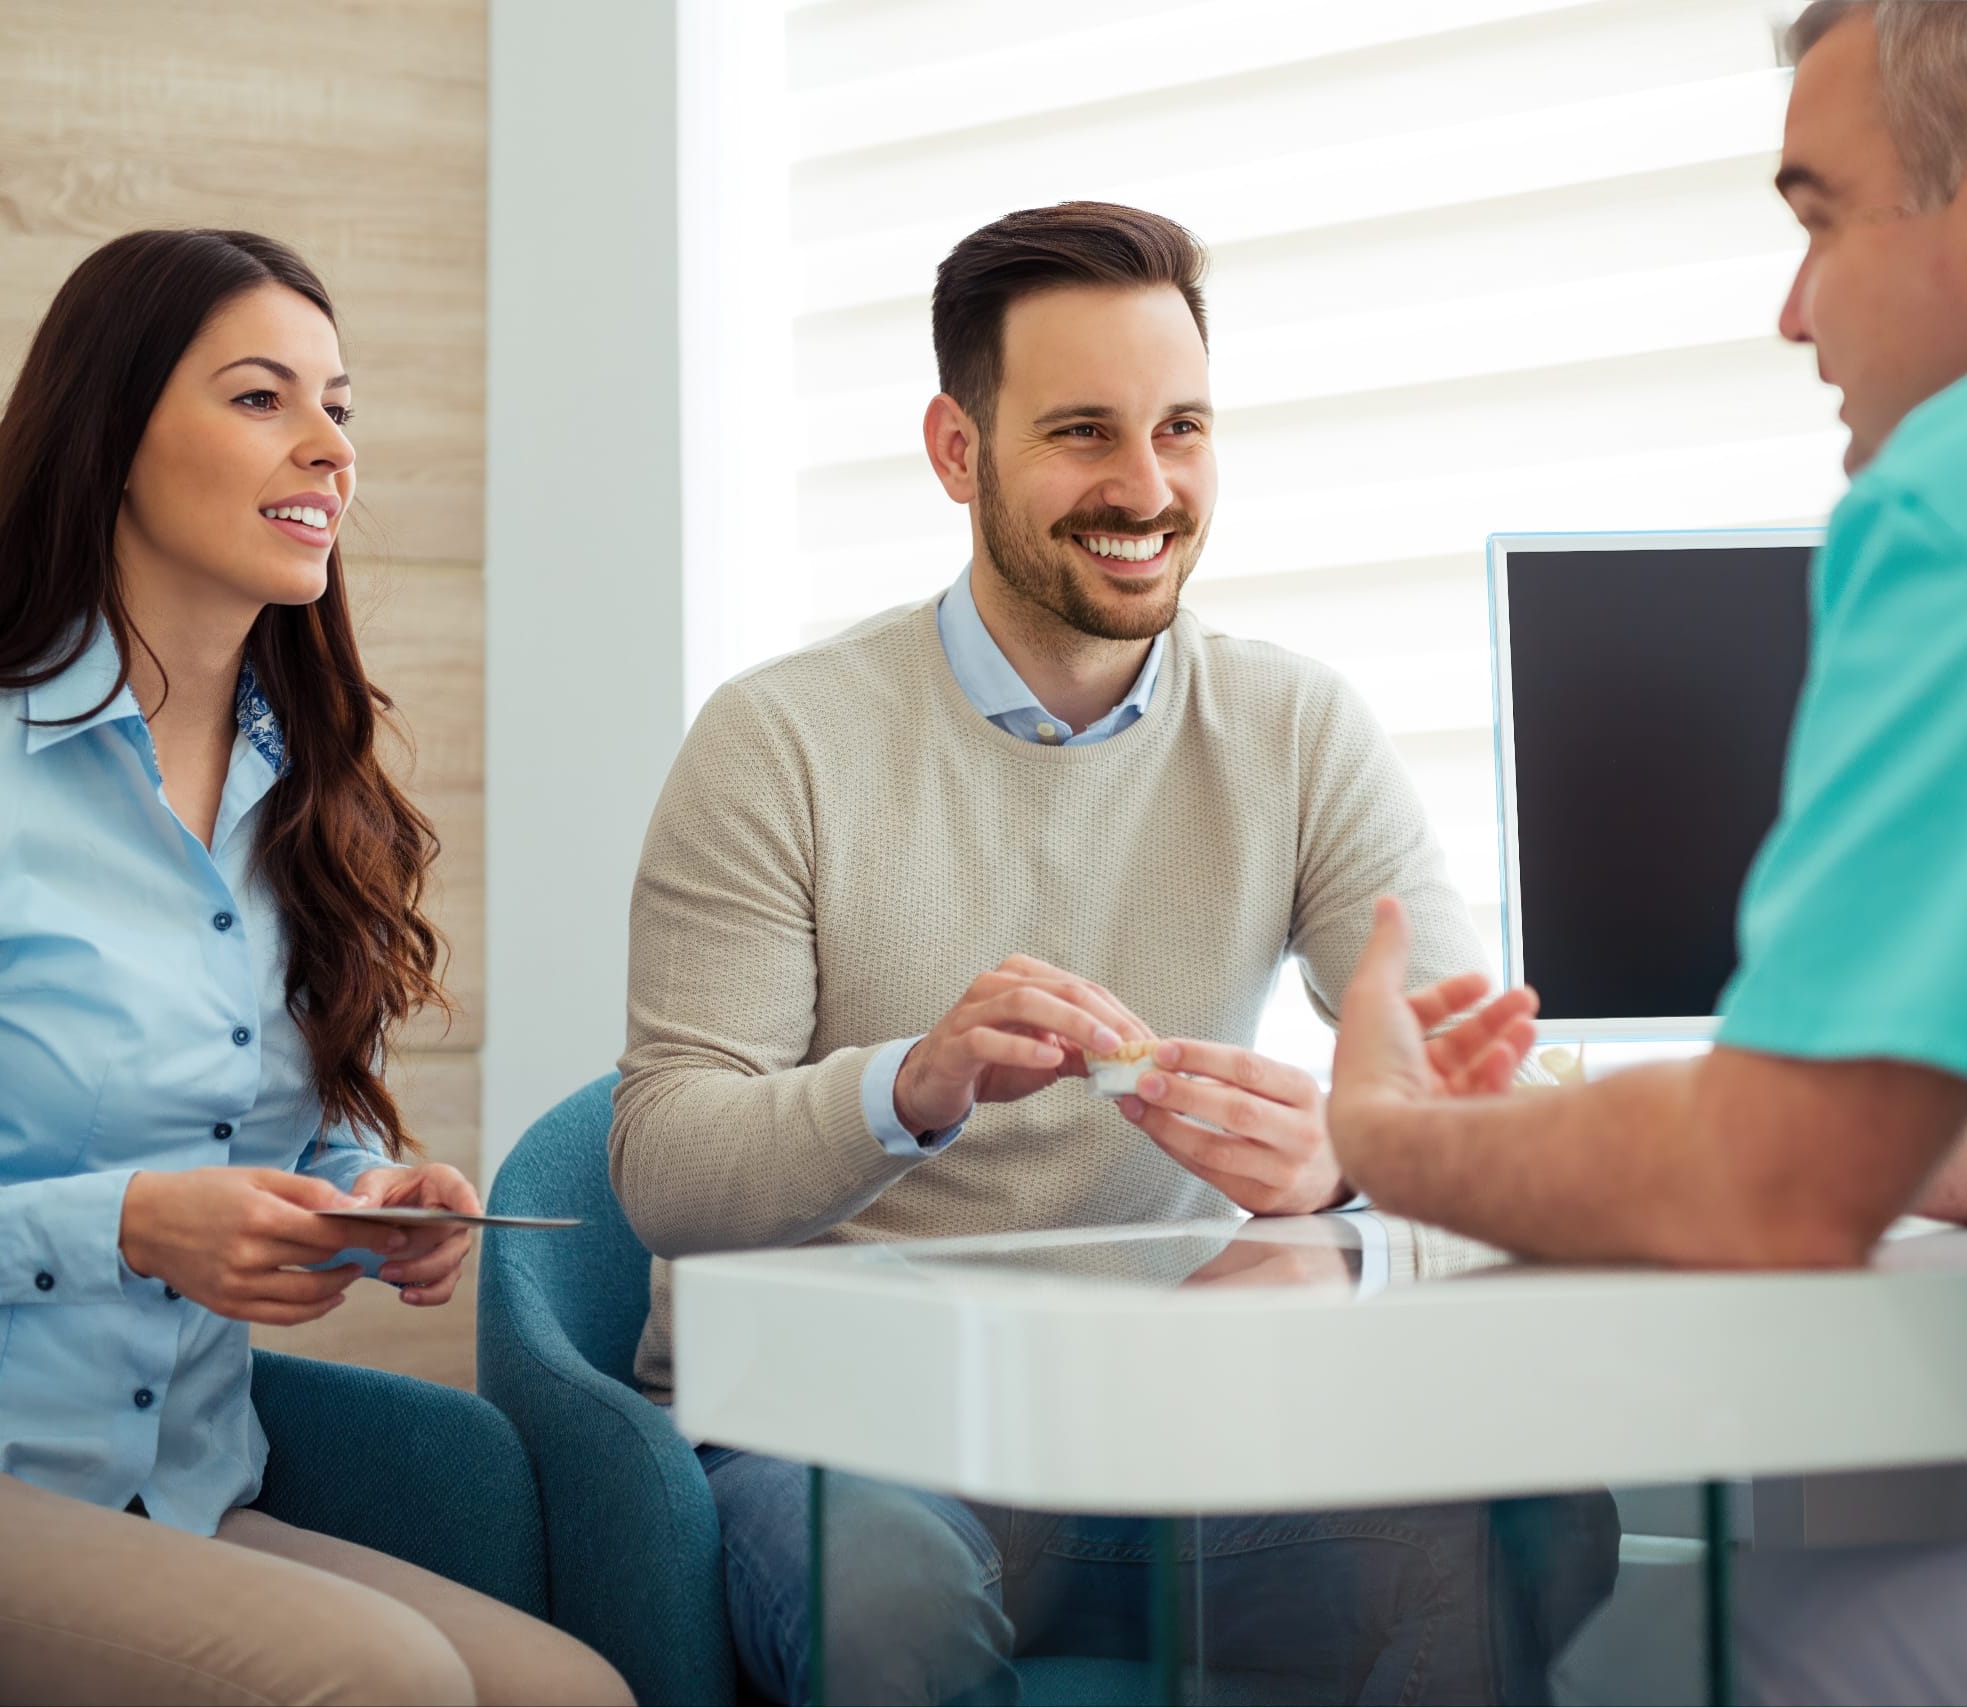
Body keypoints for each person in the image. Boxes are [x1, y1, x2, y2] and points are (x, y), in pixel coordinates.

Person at [1318, 4, 1967, 1701]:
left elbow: (1772, 1189)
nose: (1792, 313)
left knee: (1654, 1653)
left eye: (1816, 220)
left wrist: (1391, 1138)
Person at [613, 201, 1608, 1705]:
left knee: (1528, 1531)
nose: (1146, 488)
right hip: (861, 1435)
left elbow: (1486, 1076)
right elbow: (666, 1167)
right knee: (891, 1604)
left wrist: (1351, 1156)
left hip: (1163, 1435)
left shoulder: (1293, 729)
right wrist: (912, 1087)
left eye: (1183, 428)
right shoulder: (779, 742)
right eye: (1084, 432)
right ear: (957, 451)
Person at [0, 228, 630, 1707]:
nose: (330, 445)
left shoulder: (320, 803)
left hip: (177, 1493)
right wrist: (131, 1226)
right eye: (264, 398)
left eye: (342, 404)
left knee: (575, 1693)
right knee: (381, 1683)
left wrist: (367, 1199)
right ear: (114, 438)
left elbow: (305, 1133)